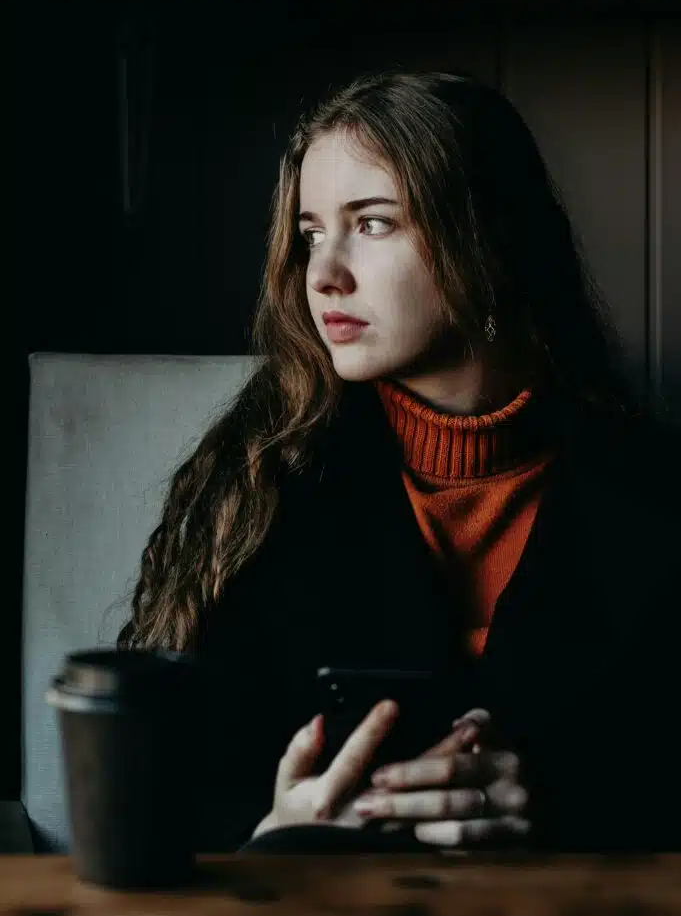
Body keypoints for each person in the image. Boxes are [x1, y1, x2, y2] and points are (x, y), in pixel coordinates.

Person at [117, 71, 681, 855]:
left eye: (373, 224)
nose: (322, 274)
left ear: (490, 239)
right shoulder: (253, 482)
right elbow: (143, 790)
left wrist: (558, 811)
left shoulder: (653, 493)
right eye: (311, 232)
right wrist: (274, 838)